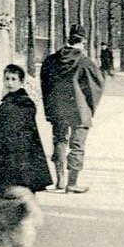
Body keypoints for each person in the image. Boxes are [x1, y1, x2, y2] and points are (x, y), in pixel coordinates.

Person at [40, 24, 104, 194]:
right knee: (77, 145)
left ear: (67, 40)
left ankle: (60, 181)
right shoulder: (85, 62)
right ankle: (72, 184)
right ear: (83, 42)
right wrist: (89, 107)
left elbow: (45, 85)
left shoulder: (50, 60)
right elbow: (97, 86)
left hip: (57, 109)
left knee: (59, 141)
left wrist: (51, 106)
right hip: (79, 109)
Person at [0, 64, 52, 193]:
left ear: (21, 82)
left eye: (13, 79)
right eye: (7, 79)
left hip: (18, 154)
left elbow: (20, 130)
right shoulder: (7, 101)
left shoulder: (24, 103)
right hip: (7, 151)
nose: (9, 83)